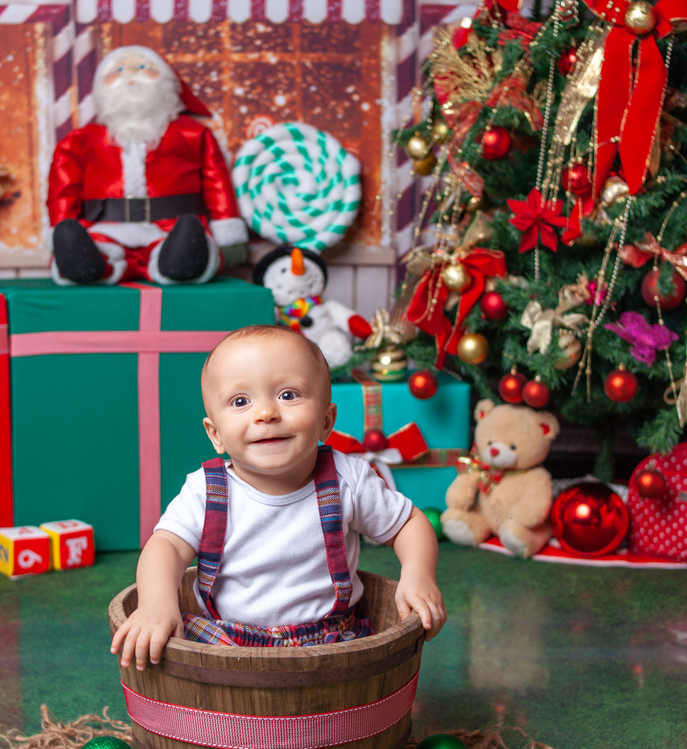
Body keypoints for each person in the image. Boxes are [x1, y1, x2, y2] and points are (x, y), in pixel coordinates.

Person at [111, 325, 446, 669]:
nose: (266, 413)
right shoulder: (207, 490)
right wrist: (156, 602)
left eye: (288, 395)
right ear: (216, 435)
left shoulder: (348, 479)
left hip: (329, 643)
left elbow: (408, 524)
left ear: (326, 421)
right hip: (225, 641)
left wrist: (418, 575)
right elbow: (165, 546)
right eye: (241, 401)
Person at [46, 45, 248, 286]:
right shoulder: (80, 141)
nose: (129, 75)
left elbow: (218, 185)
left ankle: (179, 260)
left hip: (170, 229)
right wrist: (61, 228)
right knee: (89, 245)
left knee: (187, 244)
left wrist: (228, 233)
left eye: (143, 67)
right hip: (106, 230)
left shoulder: (193, 134)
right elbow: (63, 191)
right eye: (118, 70)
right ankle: (91, 265)